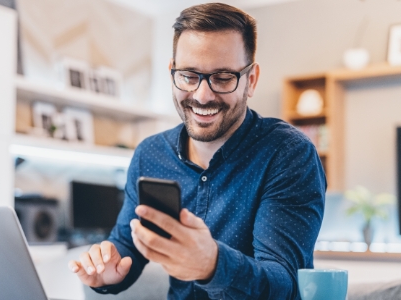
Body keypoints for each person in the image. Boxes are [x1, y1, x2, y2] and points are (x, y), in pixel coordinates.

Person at [68, 3, 326, 299]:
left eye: (223, 77)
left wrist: (212, 265)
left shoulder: (288, 154)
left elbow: (284, 284)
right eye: (189, 75)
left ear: (250, 81)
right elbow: (128, 245)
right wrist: (106, 271)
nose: (202, 96)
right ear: (172, 72)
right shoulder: (150, 155)